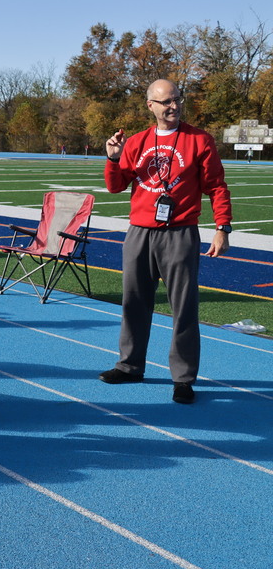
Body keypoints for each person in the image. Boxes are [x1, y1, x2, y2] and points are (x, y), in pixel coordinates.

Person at [99, 79, 232, 404]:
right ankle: (130, 365)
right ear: (151, 106)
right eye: (165, 102)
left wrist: (222, 227)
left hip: (180, 233)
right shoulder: (137, 142)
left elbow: (216, 186)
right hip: (140, 233)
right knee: (133, 303)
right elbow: (116, 186)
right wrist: (114, 159)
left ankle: (184, 378)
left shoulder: (199, 140)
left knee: (183, 309)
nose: (173, 106)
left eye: (176, 100)